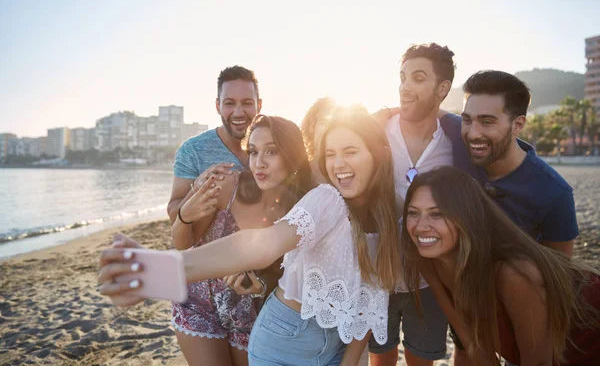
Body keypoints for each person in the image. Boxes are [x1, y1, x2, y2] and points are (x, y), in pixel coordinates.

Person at [98, 108, 403, 365]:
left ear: (378, 155)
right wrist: (160, 269)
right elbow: (260, 246)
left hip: (335, 349)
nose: (338, 164)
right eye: (331, 154)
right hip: (283, 342)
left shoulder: (389, 224)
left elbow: (367, 308)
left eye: (350, 152)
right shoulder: (326, 200)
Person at [400, 166, 600, 366]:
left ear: (466, 216)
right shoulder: (430, 259)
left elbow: (538, 362)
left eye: (436, 214)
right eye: (413, 213)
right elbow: (474, 345)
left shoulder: (513, 273)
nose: (420, 227)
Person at [170, 115, 313, 365]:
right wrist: (183, 217)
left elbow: (292, 277)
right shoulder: (227, 185)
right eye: (254, 152)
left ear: (292, 155)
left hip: (252, 313)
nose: (259, 163)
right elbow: (183, 242)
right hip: (199, 304)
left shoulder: (303, 210)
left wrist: (257, 284)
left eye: (271, 152)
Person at [370, 43, 456, 366]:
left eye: (418, 78)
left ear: (442, 88)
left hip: (430, 279)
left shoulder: (454, 145)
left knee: (422, 361)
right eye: (403, 77)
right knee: (380, 358)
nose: (405, 86)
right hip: (377, 275)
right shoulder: (376, 133)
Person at [440, 70, 579, 257]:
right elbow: (426, 110)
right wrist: (387, 114)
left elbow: (561, 272)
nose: (473, 133)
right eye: (467, 119)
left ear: (518, 125)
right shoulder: (459, 134)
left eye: (487, 122)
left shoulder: (555, 193)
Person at [167, 65, 263, 229]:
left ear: (258, 105)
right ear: (218, 106)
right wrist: (198, 188)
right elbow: (173, 216)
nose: (238, 112)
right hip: (208, 253)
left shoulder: (273, 147)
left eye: (247, 103)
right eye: (229, 103)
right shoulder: (193, 150)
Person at [300, 96, 337, 183]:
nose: (330, 129)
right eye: (325, 123)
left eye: (335, 123)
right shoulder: (299, 173)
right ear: (312, 127)